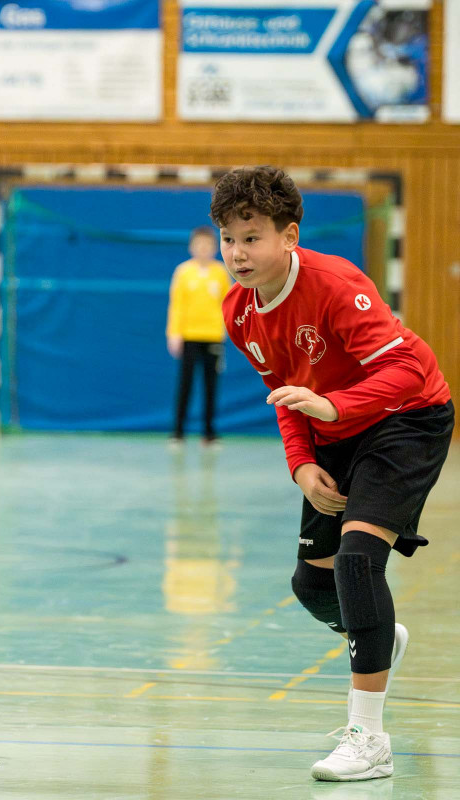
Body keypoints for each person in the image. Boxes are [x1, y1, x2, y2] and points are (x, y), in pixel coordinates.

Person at [214, 166, 452, 782]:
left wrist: (335, 406)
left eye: (252, 238)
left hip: (407, 419)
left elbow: (407, 370)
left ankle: (369, 740)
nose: (237, 253)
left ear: (289, 235)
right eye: (228, 239)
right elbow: (283, 393)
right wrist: (300, 464)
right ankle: (377, 635)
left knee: (358, 563)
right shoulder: (238, 312)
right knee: (313, 586)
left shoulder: (334, 284)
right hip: (333, 430)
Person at [167, 226, 231, 443]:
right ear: (191, 247)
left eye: (208, 245)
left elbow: (228, 304)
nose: (203, 249)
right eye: (199, 245)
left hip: (213, 336)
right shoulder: (183, 272)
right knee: (185, 384)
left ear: (215, 248)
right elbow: (177, 305)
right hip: (189, 336)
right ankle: (178, 431)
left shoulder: (221, 272)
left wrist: (227, 331)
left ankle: (209, 432)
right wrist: (174, 334)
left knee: (211, 386)